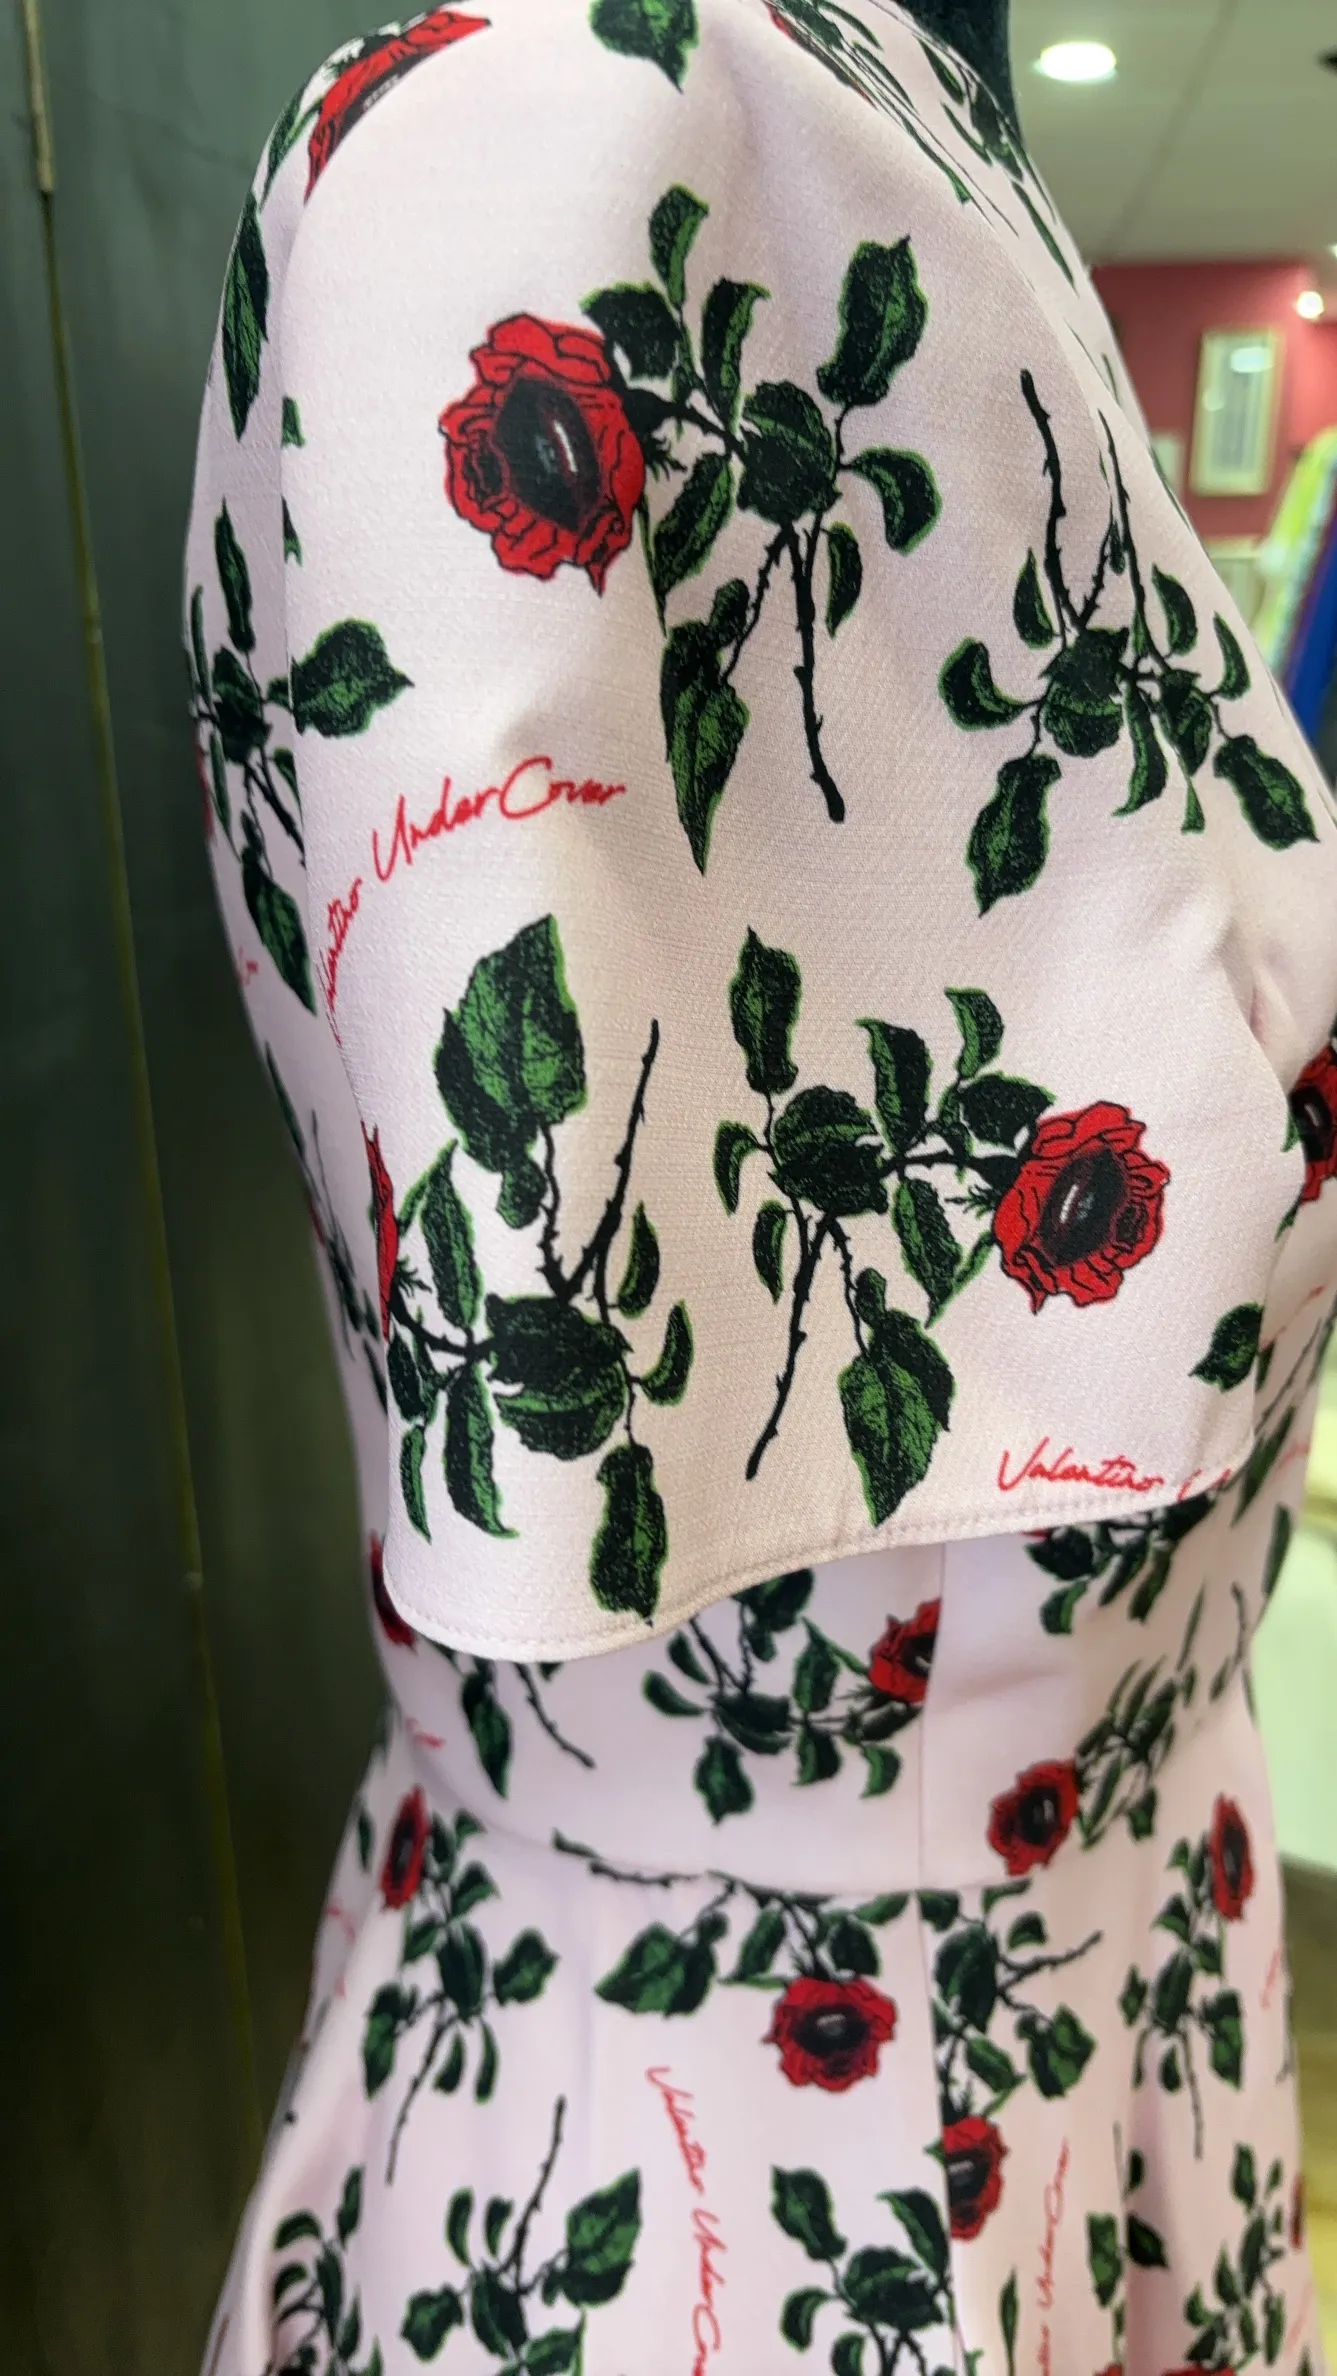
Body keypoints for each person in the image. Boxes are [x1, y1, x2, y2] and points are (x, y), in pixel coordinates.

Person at [184, 0, 1337, 2367]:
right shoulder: (576, 143)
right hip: (777, 2209)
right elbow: (564, 1403)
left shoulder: (892, 144)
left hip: (1096, 2053)